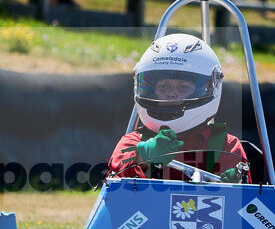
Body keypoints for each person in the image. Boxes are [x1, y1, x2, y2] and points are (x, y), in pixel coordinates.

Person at [108, 33, 252, 184]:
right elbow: (116, 176)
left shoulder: (225, 145)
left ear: (206, 89)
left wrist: (232, 185)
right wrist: (144, 156)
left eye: (183, 87)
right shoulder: (135, 140)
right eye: (163, 86)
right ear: (151, 89)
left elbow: (245, 201)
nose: (171, 93)